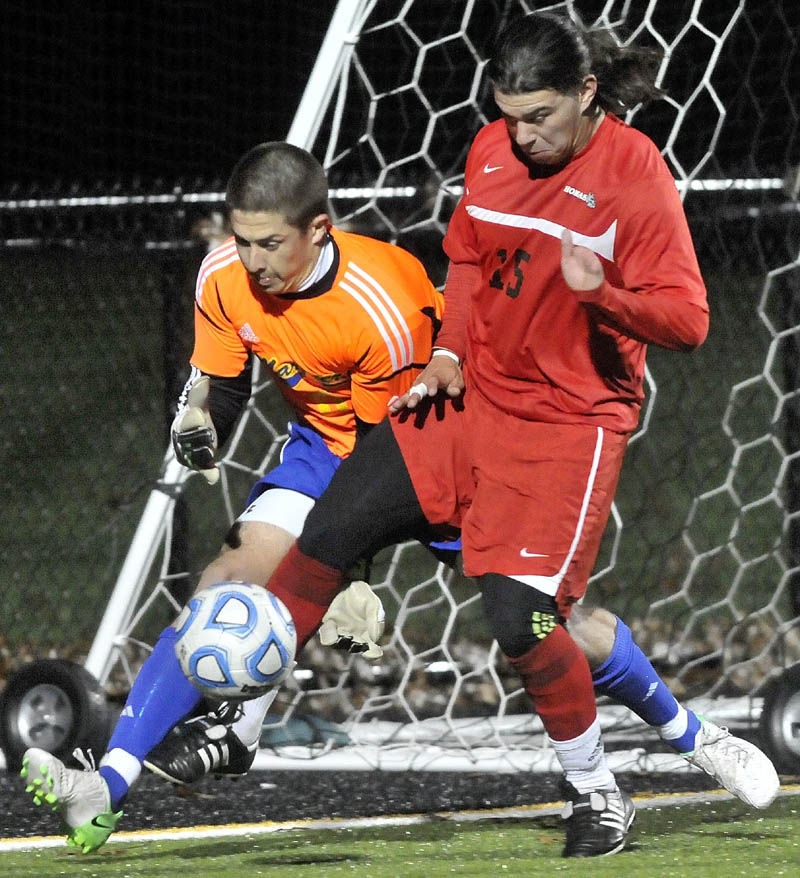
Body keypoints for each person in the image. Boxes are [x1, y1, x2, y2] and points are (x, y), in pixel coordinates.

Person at [19, 18, 778, 854]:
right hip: (447, 409)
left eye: (538, 118)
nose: (519, 136)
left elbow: (690, 321)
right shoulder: (491, 152)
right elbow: (465, 257)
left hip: (559, 423)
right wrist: (447, 353)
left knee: (534, 617)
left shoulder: (631, 179)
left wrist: (601, 297)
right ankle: (167, 758)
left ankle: (653, 756)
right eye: (507, 115)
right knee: (290, 554)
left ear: (587, 94)